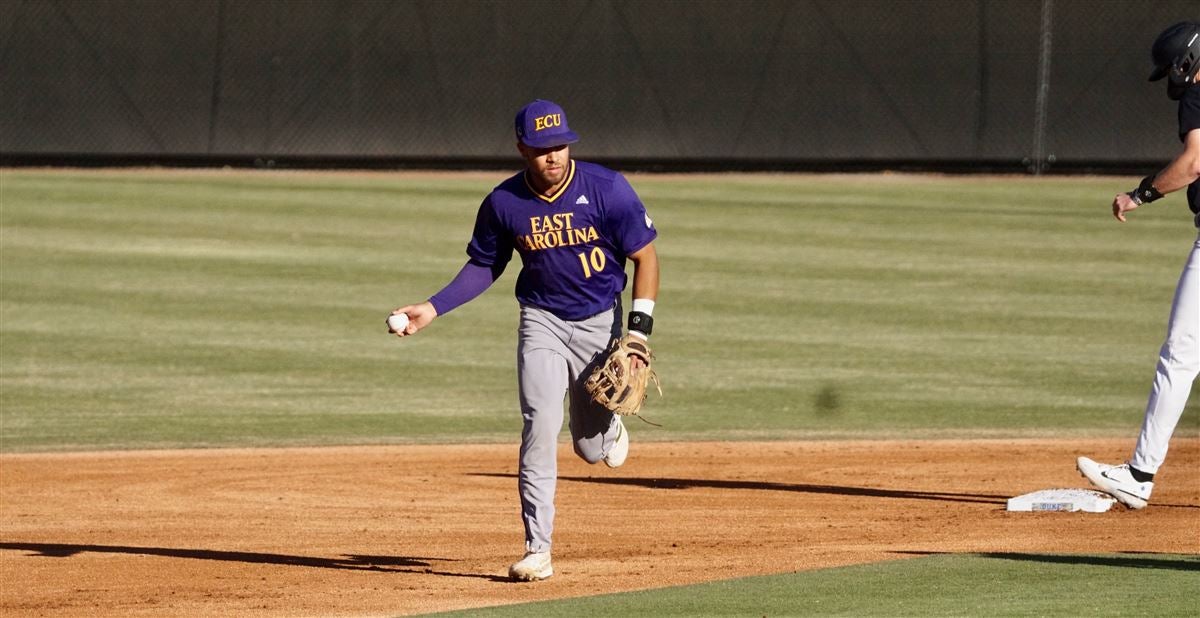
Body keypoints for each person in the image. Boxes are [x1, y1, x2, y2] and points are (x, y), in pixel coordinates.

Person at [389, 99, 660, 579]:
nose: (553, 156)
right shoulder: (503, 203)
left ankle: (608, 428)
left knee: (590, 449)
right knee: (539, 423)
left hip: (600, 323)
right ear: (521, 149)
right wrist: (432, 307)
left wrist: (637, 334)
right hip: (542, 321)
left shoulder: (606, 189)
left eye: (559, 145)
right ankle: (539, 548)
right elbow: (485, 264)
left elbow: (646, 256)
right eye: (541, 149)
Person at [1077, 21, 1200, 510]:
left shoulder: (1198, 90)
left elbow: (1194, 163)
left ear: (1184, 62)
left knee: (1180, 355)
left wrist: (1140, 193)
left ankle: (1139, 474)